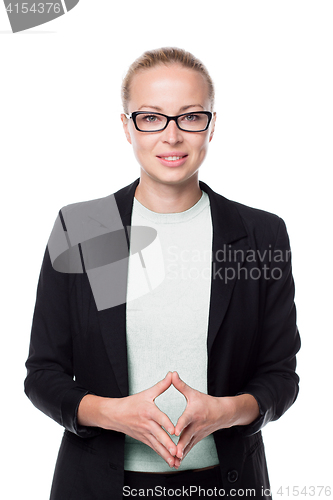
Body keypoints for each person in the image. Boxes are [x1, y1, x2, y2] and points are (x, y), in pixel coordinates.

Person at [24, 47, 301, 500]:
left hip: (226, 486)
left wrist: (226, 411)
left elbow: (280, 375)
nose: (171, 136)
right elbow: (43, 373)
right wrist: (113, 414)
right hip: (100, 487)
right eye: (151, 117)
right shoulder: (89, 229)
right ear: (126, 127)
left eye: (190, 117)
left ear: (212, 125)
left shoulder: (258, 234)